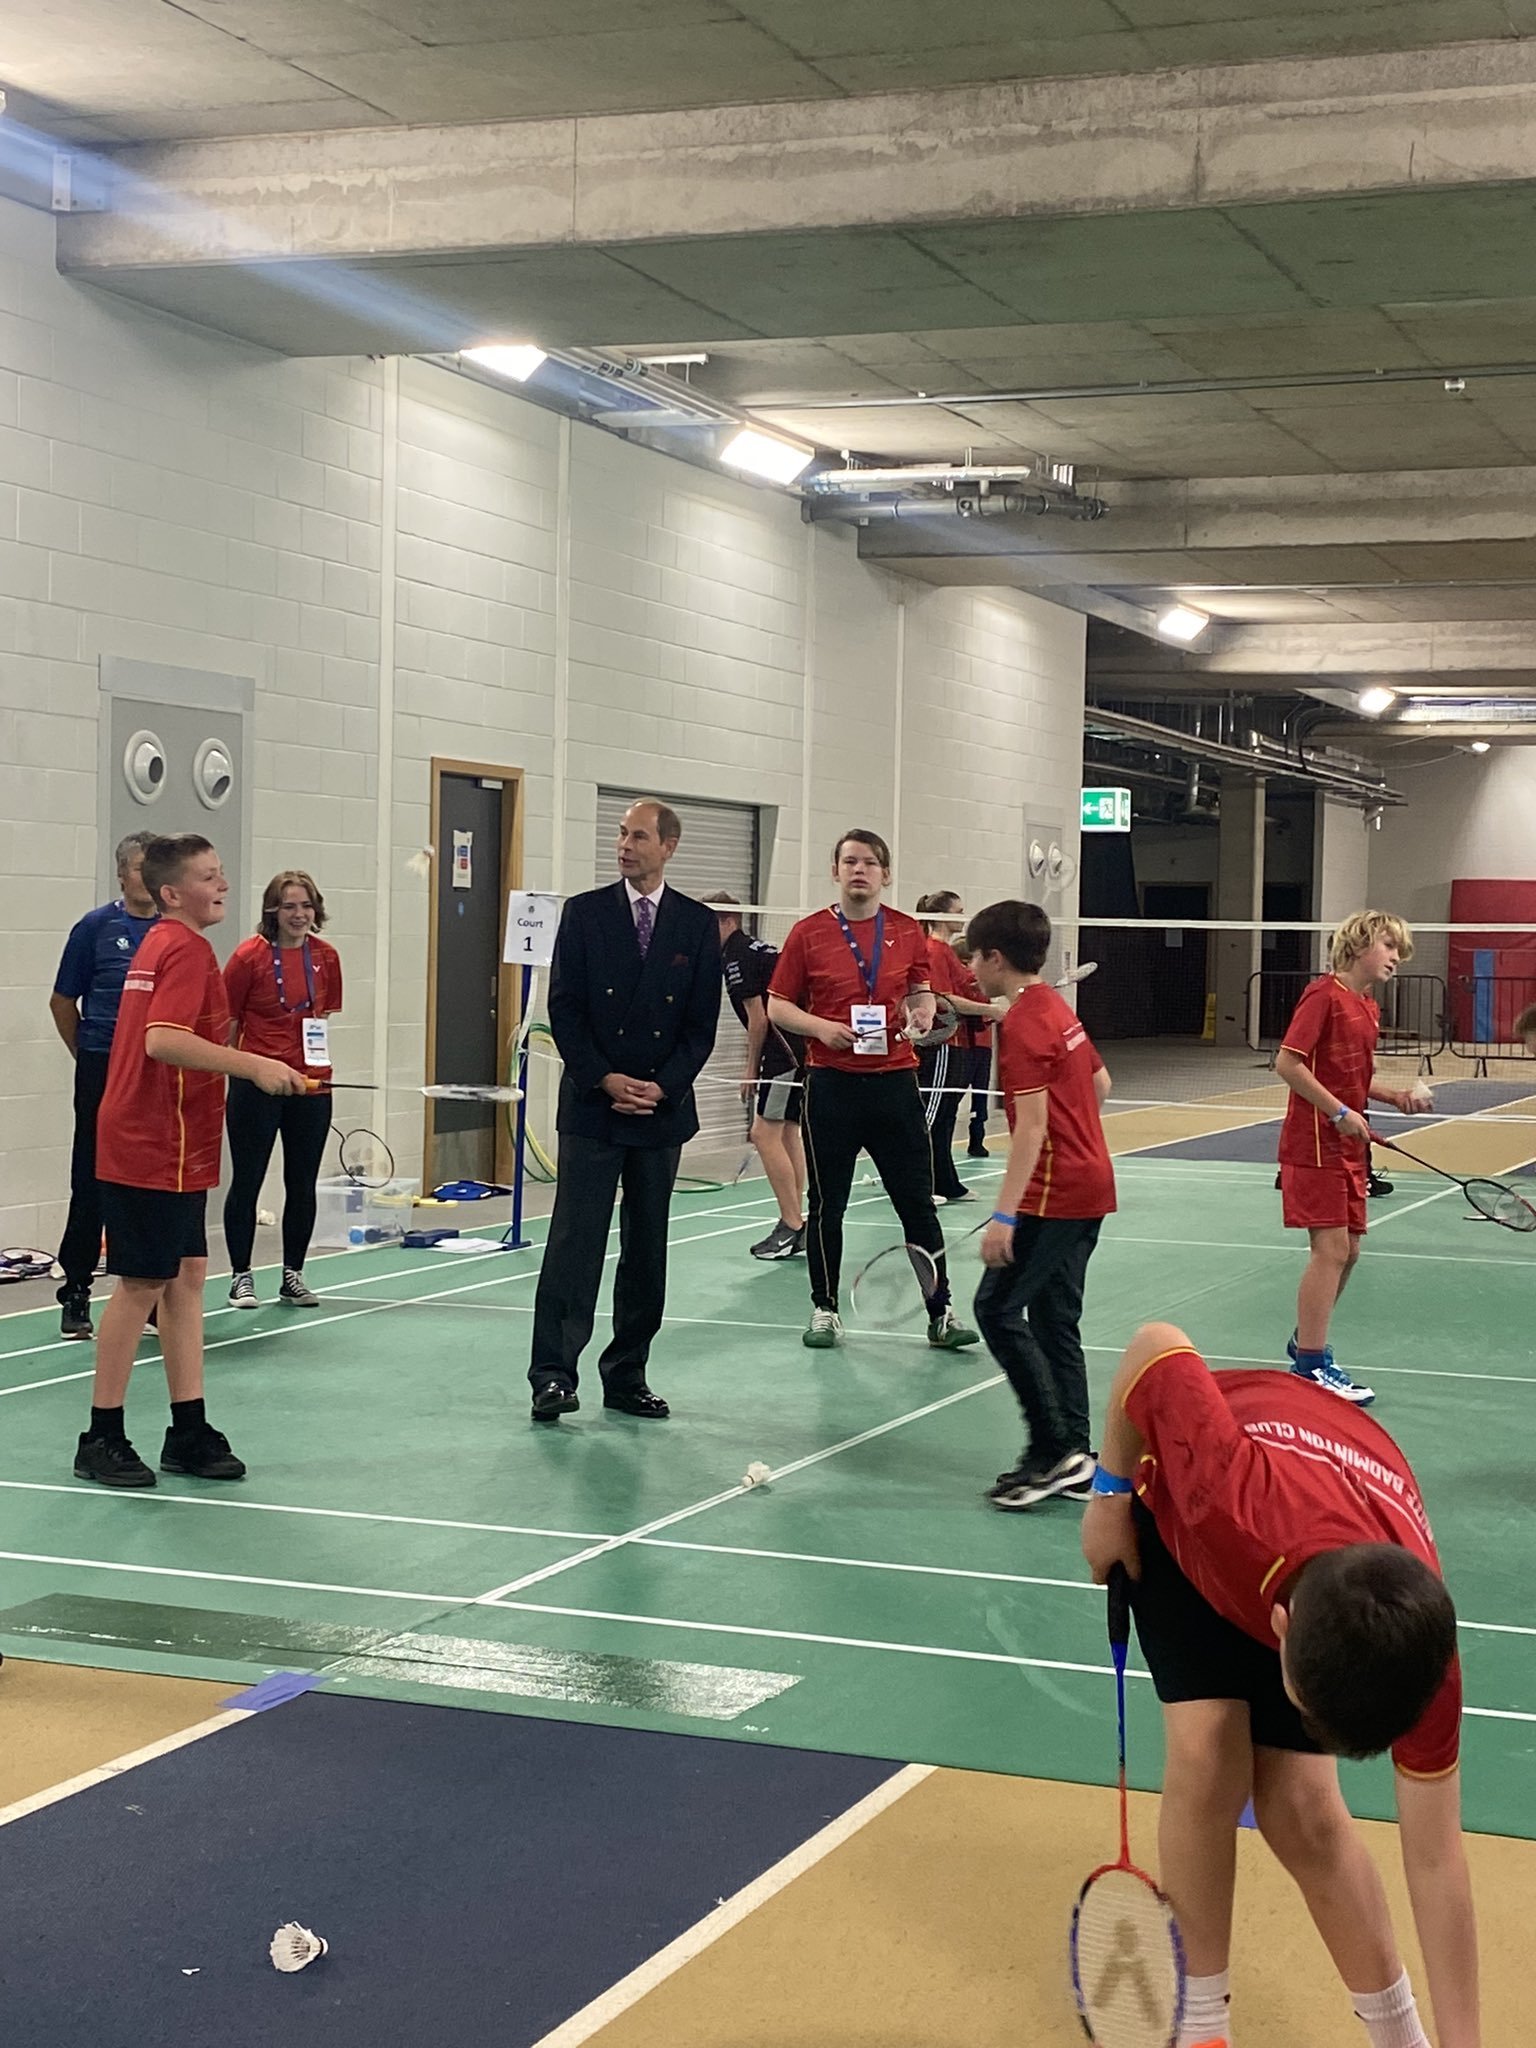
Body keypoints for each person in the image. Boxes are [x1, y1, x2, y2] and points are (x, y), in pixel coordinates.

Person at [1081, 1321, 1476, 2048]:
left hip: (1325, 1502)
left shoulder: (1423, 1659)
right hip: (1189, 1513)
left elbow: (1436, 1860)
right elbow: (1154, 1346)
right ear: (1281, 1629)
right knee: (1207, 1756)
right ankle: (1203, 2027)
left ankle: (1402, 2038)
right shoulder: (1222, 1486)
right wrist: (1108, 1495)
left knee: (1302, 1807)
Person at [75, 834, 307, 1488]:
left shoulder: (164, 943)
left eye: (221, 873)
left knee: (186, 1276)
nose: (222, 885)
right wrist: (254, 1064)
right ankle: (101, 1435)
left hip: (178, 1142)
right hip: (148, 1139)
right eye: (209, 877)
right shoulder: (181, 948)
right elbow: (163, 1041)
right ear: (173, 893)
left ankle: (188, 1429)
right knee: (141, 1284)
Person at [527, 800, 721, 1423]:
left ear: (668, 846)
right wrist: (604, 1077)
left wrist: (663, 1087)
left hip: (660, 1112)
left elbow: (701, 1024)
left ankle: (628, 1375)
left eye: (638, 836)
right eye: (620, 834)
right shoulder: (584, 914)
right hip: (594, 1105)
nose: (624, 845)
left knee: (646, 1248)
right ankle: (552, 1375)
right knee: (574, 1243)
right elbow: (565, 1008)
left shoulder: (697, 924)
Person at [766, 830, 977, 1353]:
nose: (859, 870)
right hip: (831, 1085)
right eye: (849, 862)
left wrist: (921, 1013)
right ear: (835, 871)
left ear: (886, 874)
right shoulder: (807, 933)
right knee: (827, 1205)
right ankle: (824, 1309)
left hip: (895, 1084)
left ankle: (941, 1312)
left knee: (916, 1204)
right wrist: (820, 1028)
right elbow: (777, 1006)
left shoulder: (906, 931)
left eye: (869, 863)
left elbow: (920, 992)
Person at [969, 900, 1115, 1509]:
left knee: (996, 1308)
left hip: (1056, 1194)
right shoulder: (1055, 1008)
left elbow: (1029, 1129)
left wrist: (1006, 1214)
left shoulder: (1025, 1024)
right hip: (1090, 1184)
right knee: (1055, 1319)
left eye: (974, 958)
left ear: (994, 958)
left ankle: (1051, 1450)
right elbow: (1101, 1085)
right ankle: (1076, 1455)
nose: (971, 969)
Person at [1275, 911, 1425, 1407]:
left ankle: (1307, 1340)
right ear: (1359, 945)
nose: (1396, 958)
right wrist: (1338, 1111)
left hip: (1349, 1146)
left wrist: (1393, 1096)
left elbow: (1351, 1076)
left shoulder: (1367, 1005)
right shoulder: (1323, 996)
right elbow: (1288, 1063)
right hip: (1314, 1144)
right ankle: (1310, 1365)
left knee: (1350, 1250)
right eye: (1389, 946)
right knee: (1332, 1250)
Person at [48, 831, 161, 1340]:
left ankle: (145, 1297)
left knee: (146, 1183)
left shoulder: (172, 933)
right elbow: (62, 1001)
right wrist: (89, 1055)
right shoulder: (94, 928)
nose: (148, 878)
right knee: (91, 1178)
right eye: (139, 868)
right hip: (102, 1065)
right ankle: (76, 1291)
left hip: (155, 1070)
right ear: (121, 873)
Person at [222, 870, 344, 1310]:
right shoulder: (247, 957)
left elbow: (320, 1019)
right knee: (248, 1179)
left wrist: (311, 1066)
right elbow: (227, 1023)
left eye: (306, 905)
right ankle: (240, 1275)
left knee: (302, 1182)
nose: (299, 914)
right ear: (273, 910)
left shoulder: (326, 957)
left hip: (311, 1086)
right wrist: (239, 1069)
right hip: (256, 1085)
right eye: (289, 905)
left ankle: (294, 1273)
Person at [702, 893, 806, 1261]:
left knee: (763, 1133)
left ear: (727, 921)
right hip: (799, 1048)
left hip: (784, 1051)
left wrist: (750, 1069)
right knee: (787, 1132)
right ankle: (797, 1220)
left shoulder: (737, 956)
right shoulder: (753, 950)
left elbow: (759, 1018)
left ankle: (791, 1223)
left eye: (705, 923)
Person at [913, 890, 998, 1204]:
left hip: (959, 1044)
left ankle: (946, 1183)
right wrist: (992, 1011)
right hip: (941, 1044)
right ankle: (918, 1187)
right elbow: (941, 999)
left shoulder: (947, 952)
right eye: (958, 912)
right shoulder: (933, 950)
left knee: (947, 1116)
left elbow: (965, 987)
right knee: (930, 1116)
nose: (963, 917)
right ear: (940, 916)